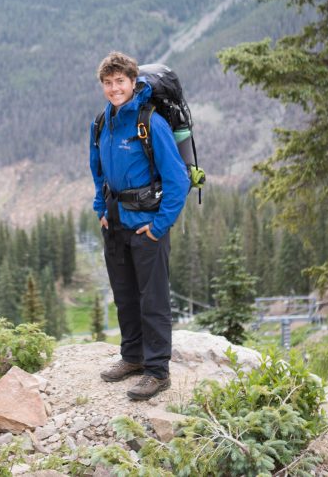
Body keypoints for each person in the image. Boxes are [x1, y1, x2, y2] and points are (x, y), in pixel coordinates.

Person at [89, 51, 190, 400]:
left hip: (147, 224)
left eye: (120, 81)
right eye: (108, 82)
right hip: (115, 223)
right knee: (126, 295)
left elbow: (178, 180)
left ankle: (158, 371)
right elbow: (97, 171)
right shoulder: (102, 123)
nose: (114, 88)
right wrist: (101, 207)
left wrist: (160, 226)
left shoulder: (151, 123)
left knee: (154, 299)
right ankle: (132, 357)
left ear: (133, 82)